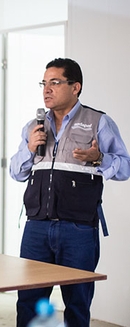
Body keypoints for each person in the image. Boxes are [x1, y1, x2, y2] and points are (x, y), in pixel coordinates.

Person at [10, 58, 130, 327]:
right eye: (44, 83)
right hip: (37, 228)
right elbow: (16, 173)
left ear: (76, 87)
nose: (46, 89)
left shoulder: (98, 121)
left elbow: (125, 167)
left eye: (55, 82)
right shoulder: (34, 126)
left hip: (78, 230)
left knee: (77, 304)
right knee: (28, 301)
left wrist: (99, 159)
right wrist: (29, 149)